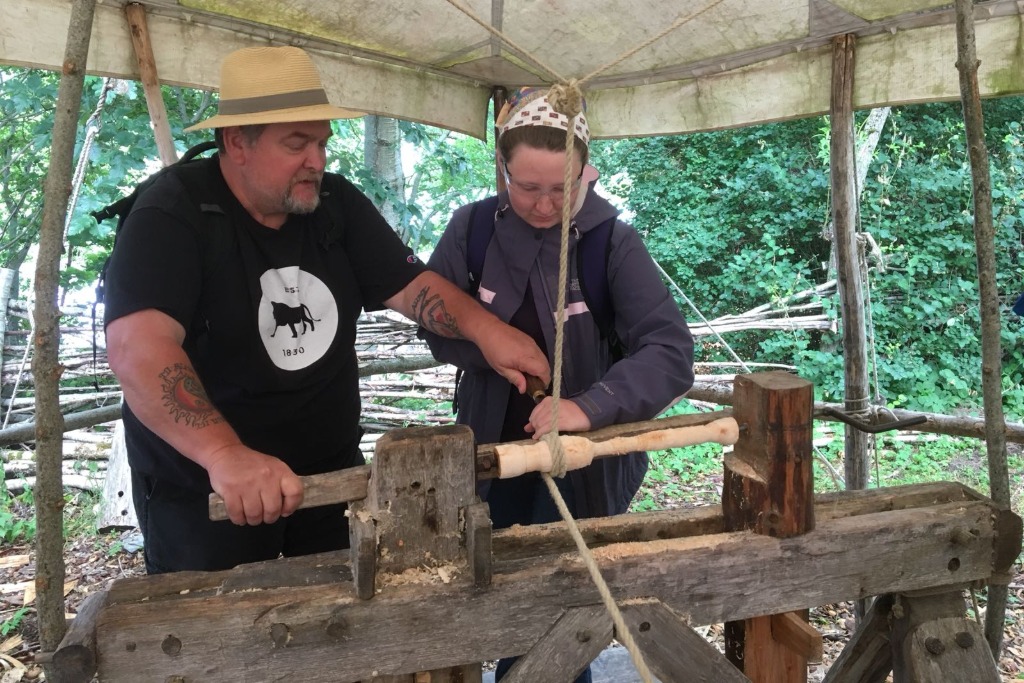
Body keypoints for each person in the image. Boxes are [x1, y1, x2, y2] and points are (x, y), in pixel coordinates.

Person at [103, 47, 550, 575]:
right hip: (210, 484)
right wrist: (225, 455)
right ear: (236, 143)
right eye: (297, 144)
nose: (316, 160)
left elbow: (411, 286)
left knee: (340, 623)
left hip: (327, 473)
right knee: (219, 641)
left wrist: (486, 330)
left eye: (320, 142)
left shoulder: (334, 204)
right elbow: (139, 348)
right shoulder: (171, 213)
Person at [421, 88, 694, 682]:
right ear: (502, 169)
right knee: (477, 590)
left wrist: (587, 406)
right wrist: (488, 341)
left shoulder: (610, 242)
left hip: (584, 462)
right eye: (527, 187)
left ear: (586, 171)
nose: (545, 205)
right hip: (486, 454)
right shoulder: (471, 231)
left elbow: (671, 352)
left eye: (561, 188)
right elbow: (434, 320)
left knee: (560, 605)